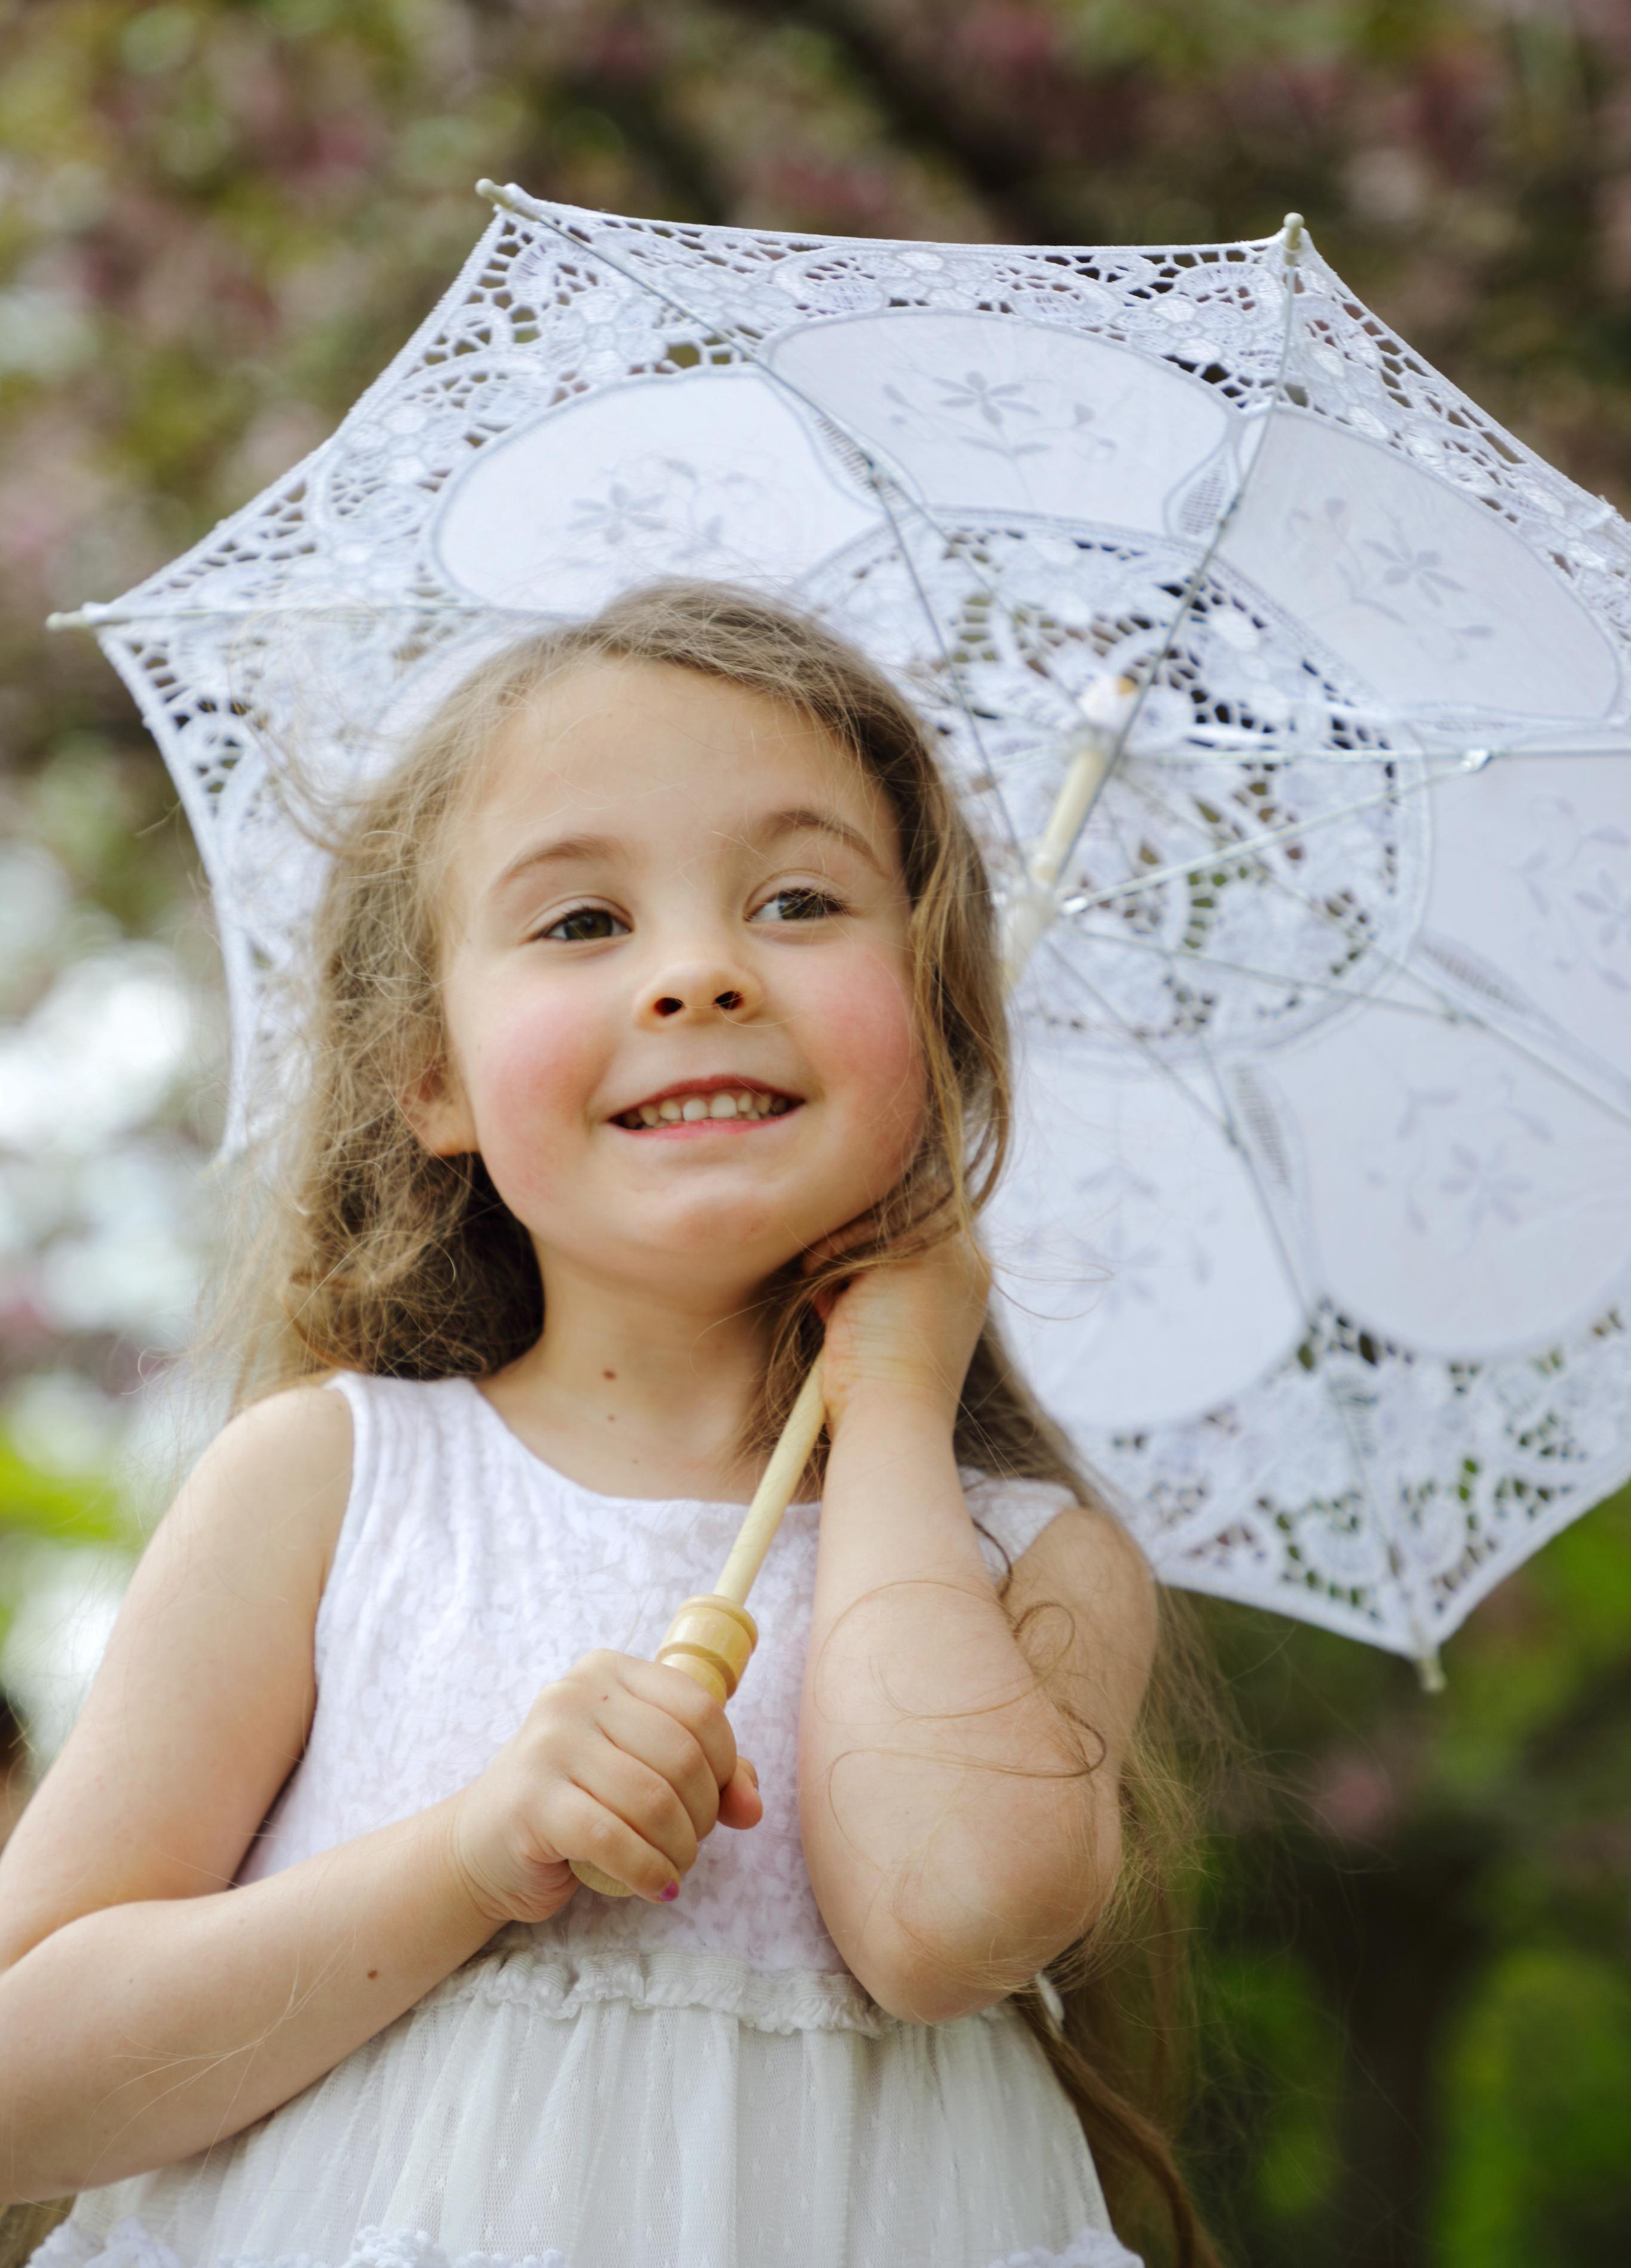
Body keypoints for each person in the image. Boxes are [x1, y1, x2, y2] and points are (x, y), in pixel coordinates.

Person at [0, 582, 1219, 2268]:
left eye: (799, 901)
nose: (702, 973)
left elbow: (946, 1921)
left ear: (939, 1032)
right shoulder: (332, 1483)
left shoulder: (1037, 1566)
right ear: (430, 1073)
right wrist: (466, 1860)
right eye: (582, 922)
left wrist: (891, 1412)